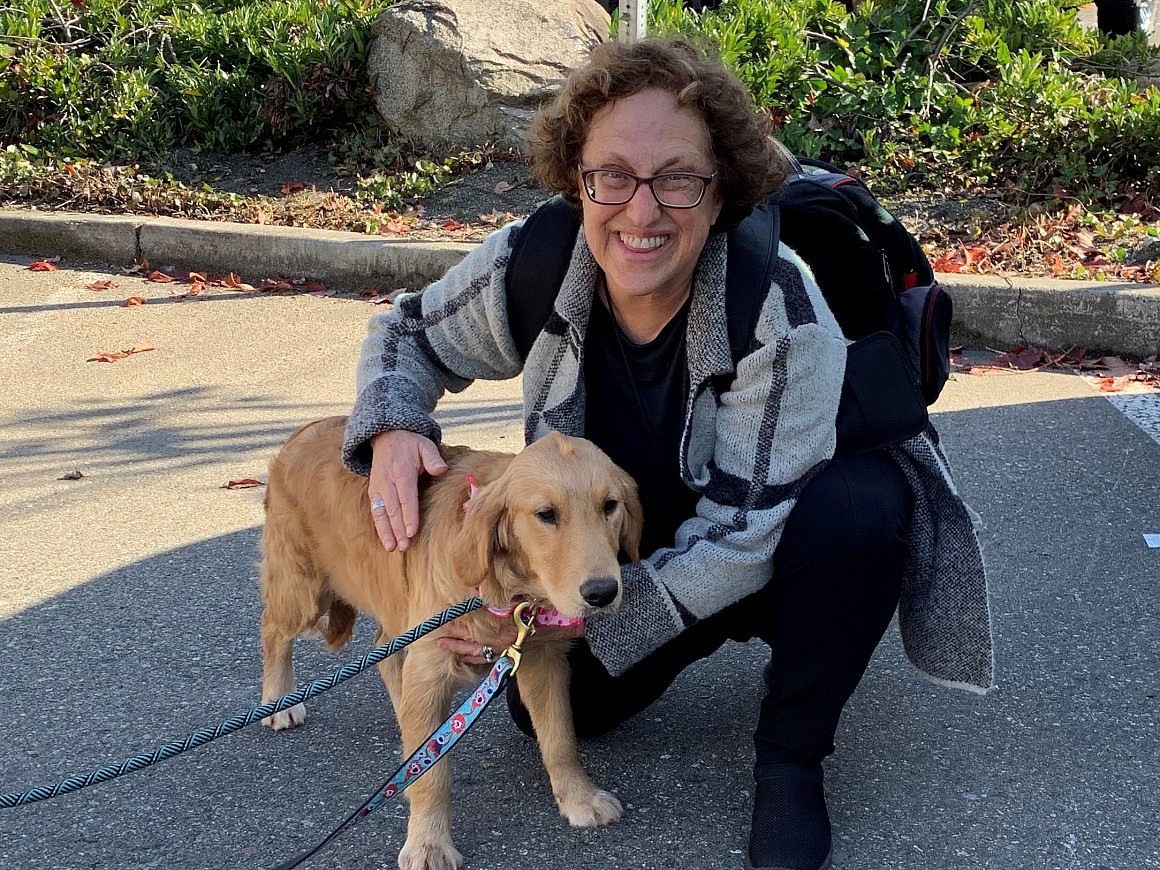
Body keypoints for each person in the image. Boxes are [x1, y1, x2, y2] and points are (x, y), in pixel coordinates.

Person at [341, 37, 992, 870]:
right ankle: (676, 634)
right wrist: (394, 426)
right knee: (548, 706)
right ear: (578, 179)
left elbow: (746, 532)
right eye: (612, 175)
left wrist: (575, 615)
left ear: (721, 192)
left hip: (779, 532)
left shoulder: (778, 306)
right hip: (626, 541)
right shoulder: (537, 260)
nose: (641, 212)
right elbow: (406, 333)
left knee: (860, 516)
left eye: (678, 178)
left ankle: (792, 755)